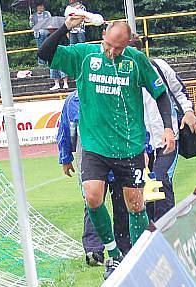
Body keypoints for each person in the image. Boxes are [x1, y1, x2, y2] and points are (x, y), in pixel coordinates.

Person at [38, 18, 175, 279]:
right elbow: (44, 53)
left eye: (118, 48)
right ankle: (112, 254)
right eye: (109, 45)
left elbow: (160, 93)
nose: (111, 52)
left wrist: (168, 127)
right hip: (94, 146)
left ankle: (138, 254)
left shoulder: (136, 61)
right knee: (92, 196)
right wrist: (66, 28)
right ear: (103, 36)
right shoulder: (85, 55)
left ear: (127, 45)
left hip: (129, 145)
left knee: (135, 205)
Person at [129, 36, 196, 221]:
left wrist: (188, 112)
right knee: (145, 187)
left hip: (167, 138)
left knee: (160, 179)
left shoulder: (159, 67)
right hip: (139, 143)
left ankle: (167, 228)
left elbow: (179, 91)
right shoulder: (120, 75)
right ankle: (150, 229)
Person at [57, 91, 131, 266]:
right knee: (92, 204)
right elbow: (66, 130)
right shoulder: (73, 100)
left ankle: (124, 247)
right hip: (90, 159)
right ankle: (94, 250)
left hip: (118, 154)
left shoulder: (115, 92)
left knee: (122, 202)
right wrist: (65, 157)